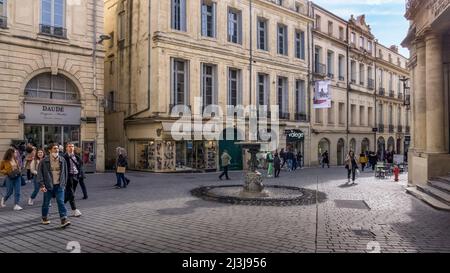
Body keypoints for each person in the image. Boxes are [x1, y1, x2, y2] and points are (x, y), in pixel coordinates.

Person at [38, 143, 71, 228]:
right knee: (46, 203)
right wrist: (42, 185)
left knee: (60, 201)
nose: (56, 150)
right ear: (49, 150)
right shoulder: (44, 161)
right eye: (54, 148)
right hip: (48, 185)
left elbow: (65, 172)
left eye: (57, 148)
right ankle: (44, 217)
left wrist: (64, 183)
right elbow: (40, 174)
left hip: (59, 185)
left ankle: (63, 219)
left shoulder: (62, 160)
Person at [63, 143, 82, 217]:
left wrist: (79, 174)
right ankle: (75, 210)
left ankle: (61, 203)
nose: (71, 148)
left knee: (70, 193)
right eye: (69, 146)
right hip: (68, 176)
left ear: (74, 148)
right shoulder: (64, 157)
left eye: (72, 146)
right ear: (66, 148)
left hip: (76, 176)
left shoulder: (77, 157)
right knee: (71, 193)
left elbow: (80, 165)